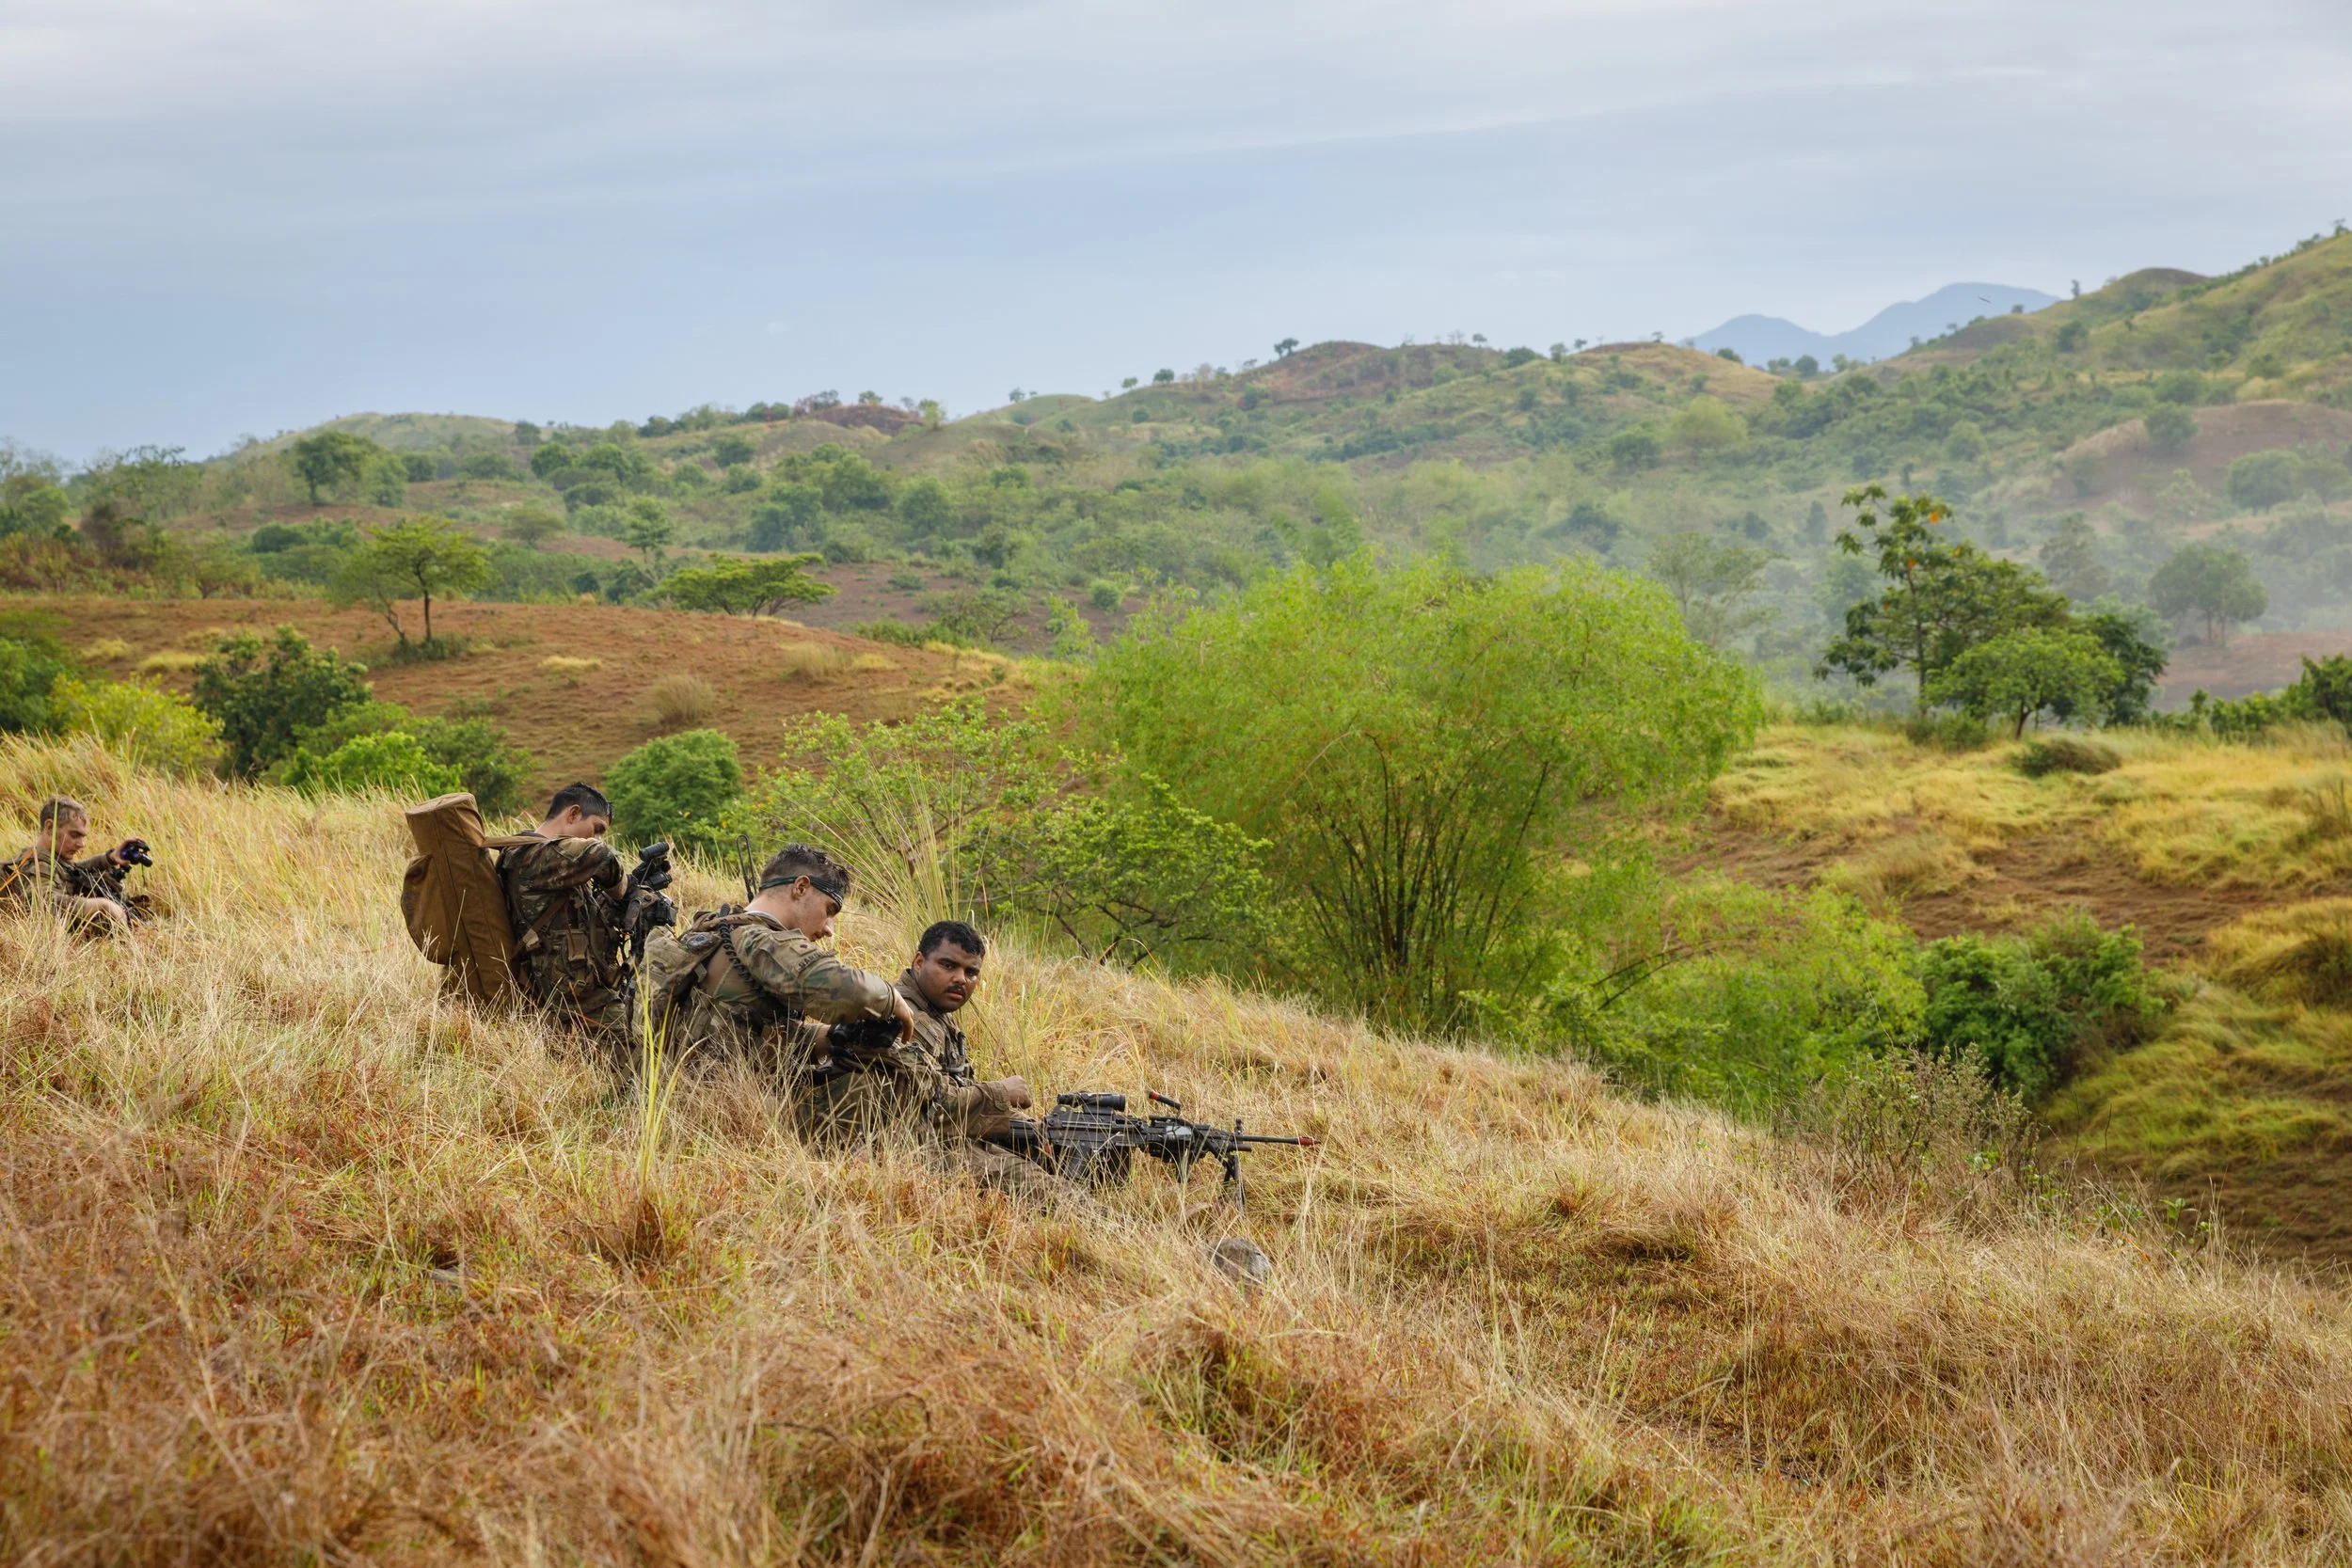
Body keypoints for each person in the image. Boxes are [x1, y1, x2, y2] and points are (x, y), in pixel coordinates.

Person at [665, 843, 915, 1072]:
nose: (829, 929)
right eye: (829, 910)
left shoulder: (718, 929)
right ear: (801, 887)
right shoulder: (761, 941)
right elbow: (837, 985)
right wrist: (892, 998)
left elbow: (745, 1031)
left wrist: (830, 1036)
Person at [496, 783, 645, 1049]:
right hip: (575, 1000)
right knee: (637, 1068)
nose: (597, 838)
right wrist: (625, 890)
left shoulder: (549, 860)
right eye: (597, 829)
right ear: (573, 814)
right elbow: (602, 855)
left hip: (575, 994)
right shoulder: (531, 854)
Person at [0, 797, 145, 931]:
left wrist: (109, 859)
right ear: (50, 827)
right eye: (75, 835)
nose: (82, 844)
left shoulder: (55, 860)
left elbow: (71, 871)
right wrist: (100, 905)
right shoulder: (38, 864)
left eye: (83, 837)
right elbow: (42, 903)